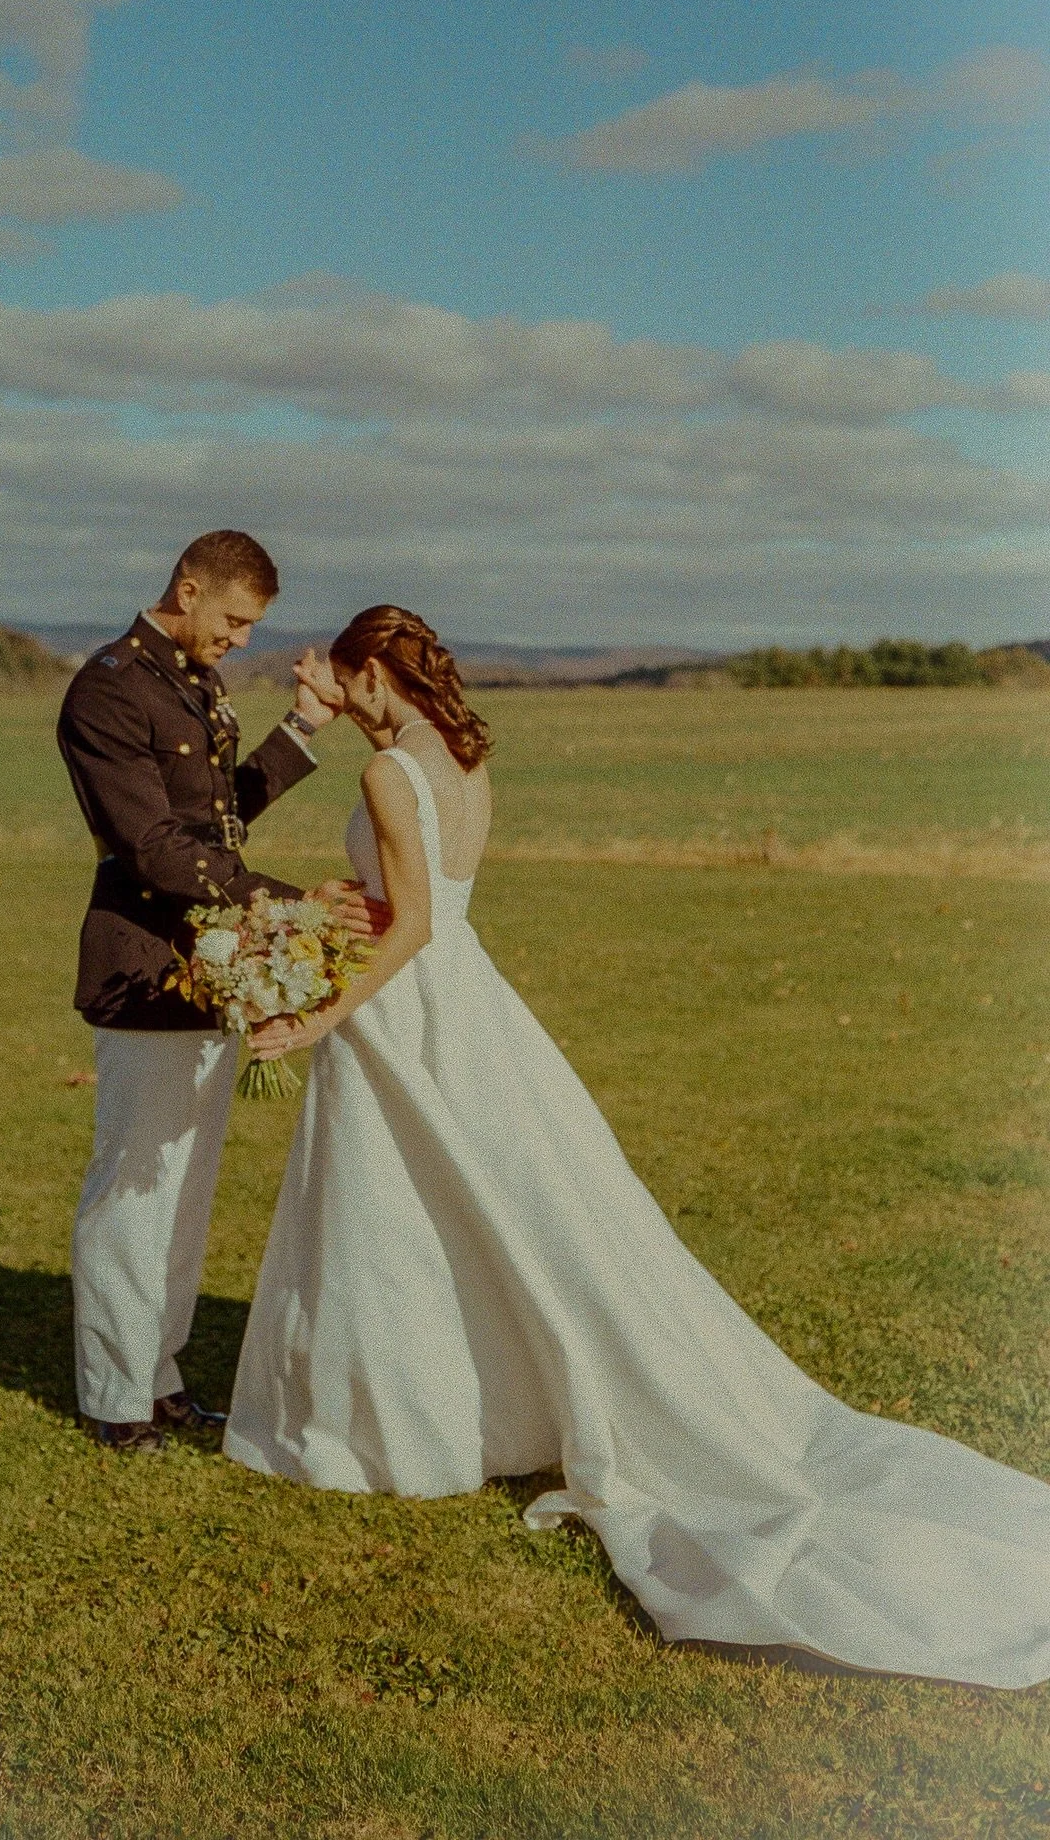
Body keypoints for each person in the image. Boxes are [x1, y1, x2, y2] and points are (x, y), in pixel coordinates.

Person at [223, 603, 1050, 1689]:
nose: (340, 690)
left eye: (347, 675)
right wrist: (330, 878)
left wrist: (319, 1013)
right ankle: (455, 1409)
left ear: (376, 672)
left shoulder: (388, 774)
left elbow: (412, 923)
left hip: (403, 1006)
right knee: (470, 1212)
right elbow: (432, 911)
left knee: (392, 1216)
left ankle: (391, 1427)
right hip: (470, 1006)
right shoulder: (462, 761)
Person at [56, 531, 381, 1454]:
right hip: (141, 967)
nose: (241, 640)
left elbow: (215, 821)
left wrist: (303, 728)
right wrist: (288, 905)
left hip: (207, 968)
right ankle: (114, 1397)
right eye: (235, 621)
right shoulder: (110, 689)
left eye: (250, 628)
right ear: (189, 589)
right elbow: (154, 849)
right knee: (133, 1191)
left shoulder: (191, 681)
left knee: (185, 1194)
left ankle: (157, 1381)